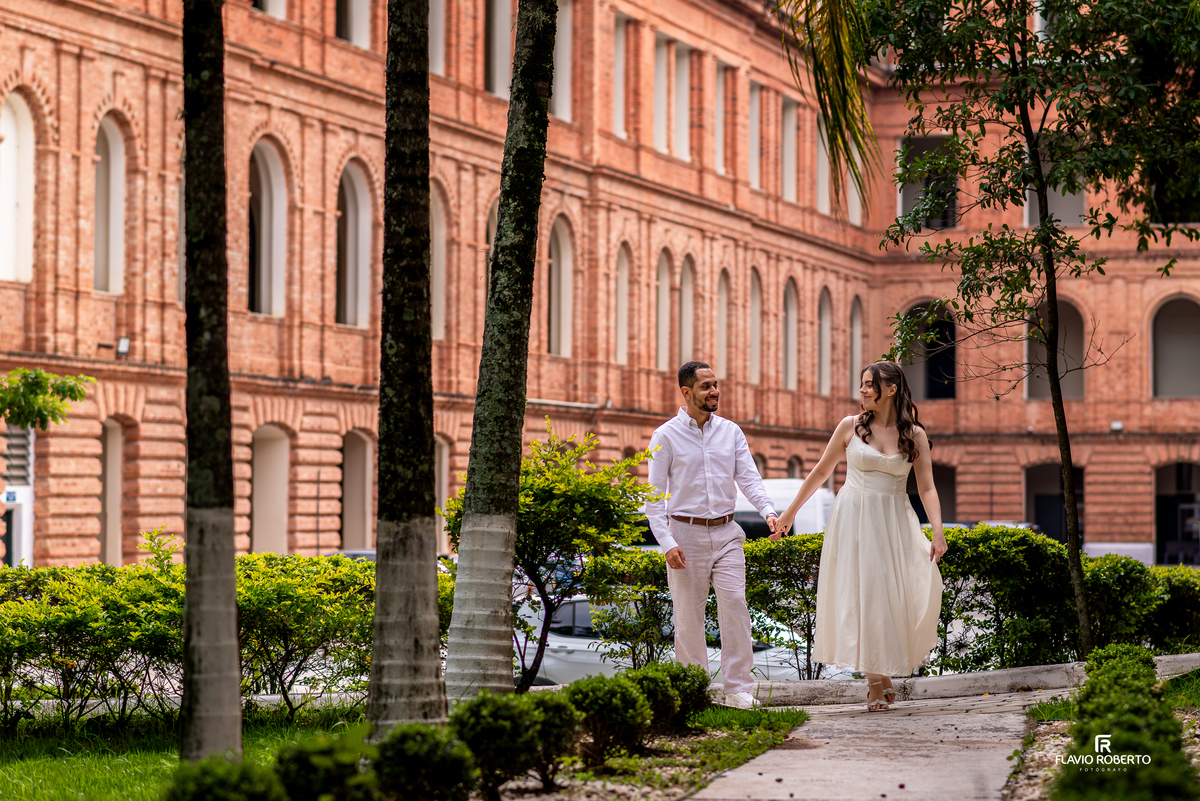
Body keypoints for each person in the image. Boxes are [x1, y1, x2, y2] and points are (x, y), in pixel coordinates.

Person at [776, 361, 947, 711]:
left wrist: (938, 531)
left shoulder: (913, 434)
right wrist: (790, 512)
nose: (863, 391)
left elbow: (927, 488)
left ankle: (881, 672)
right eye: (862, 385)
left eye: (870, 385)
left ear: (892, 389)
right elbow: (822, 470)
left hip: (896, 520)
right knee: (865, 593)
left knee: (896, 595)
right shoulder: (849, 427)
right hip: (855, 518)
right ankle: (874, 681)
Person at [646, 361, 779, 709]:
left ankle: (738, 689)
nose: (714, 391)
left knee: (735, 605)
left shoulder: (731, 432)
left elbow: (748, 478)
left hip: (727, 532)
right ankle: (694, 691)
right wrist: (667, 542)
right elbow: (653, 497)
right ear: (687, 392)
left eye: (716, 384)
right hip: (684, 534)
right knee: (688, 616)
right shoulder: (665, 436)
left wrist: (768, 510)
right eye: (706, 386)